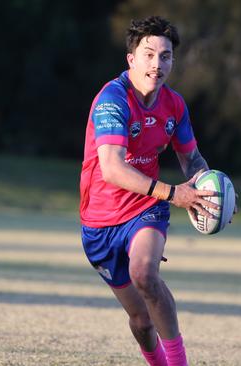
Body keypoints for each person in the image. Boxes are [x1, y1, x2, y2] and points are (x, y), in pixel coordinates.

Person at [79, 15, 225, 366]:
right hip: (98, 222)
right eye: (148, 55)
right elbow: (112, 168)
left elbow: (192, 160)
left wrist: (213, 191)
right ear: (131, 59)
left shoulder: (174, 105)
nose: (157, 64)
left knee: (144, 273)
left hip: (146, 207)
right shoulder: (112, 100)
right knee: (142, 322)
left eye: (165, 56)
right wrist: (175, 194)